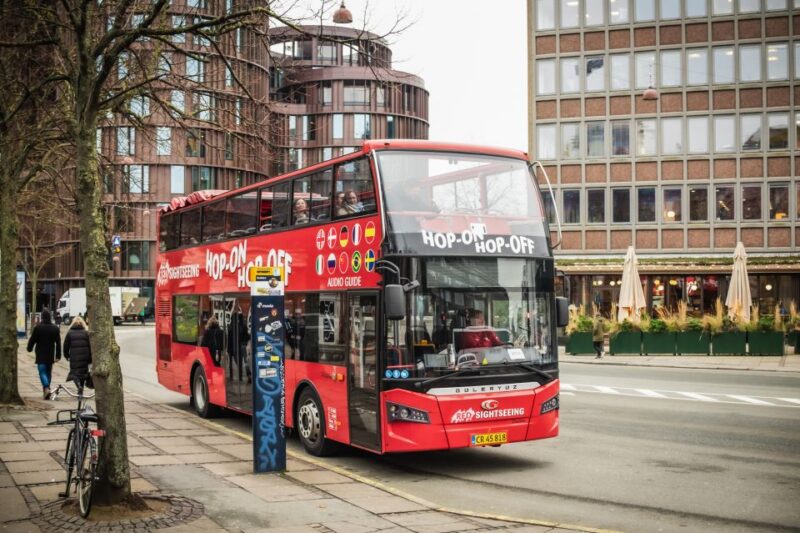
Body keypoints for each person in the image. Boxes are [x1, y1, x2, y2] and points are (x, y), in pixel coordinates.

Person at [27, 310, 61, 399]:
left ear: (42, 317)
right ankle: (47, 390)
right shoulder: (55, 328)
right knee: (48, 373)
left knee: (42, 372)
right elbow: (58, 343)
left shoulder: (38, 328)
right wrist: (58, 356)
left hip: (40, 354)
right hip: (50, 354)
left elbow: (32, 340)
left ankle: (46, 388)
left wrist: (29, 348)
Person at [63, 316, 92, 386]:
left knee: (74, 374)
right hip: (85, 357)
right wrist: (90, 358)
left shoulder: (70, 333)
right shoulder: (86, 333)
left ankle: (78, 386)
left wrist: (66, 355)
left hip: (74, 357)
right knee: (83, 374)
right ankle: (80, 391)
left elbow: (65, 346)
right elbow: (90, 346)